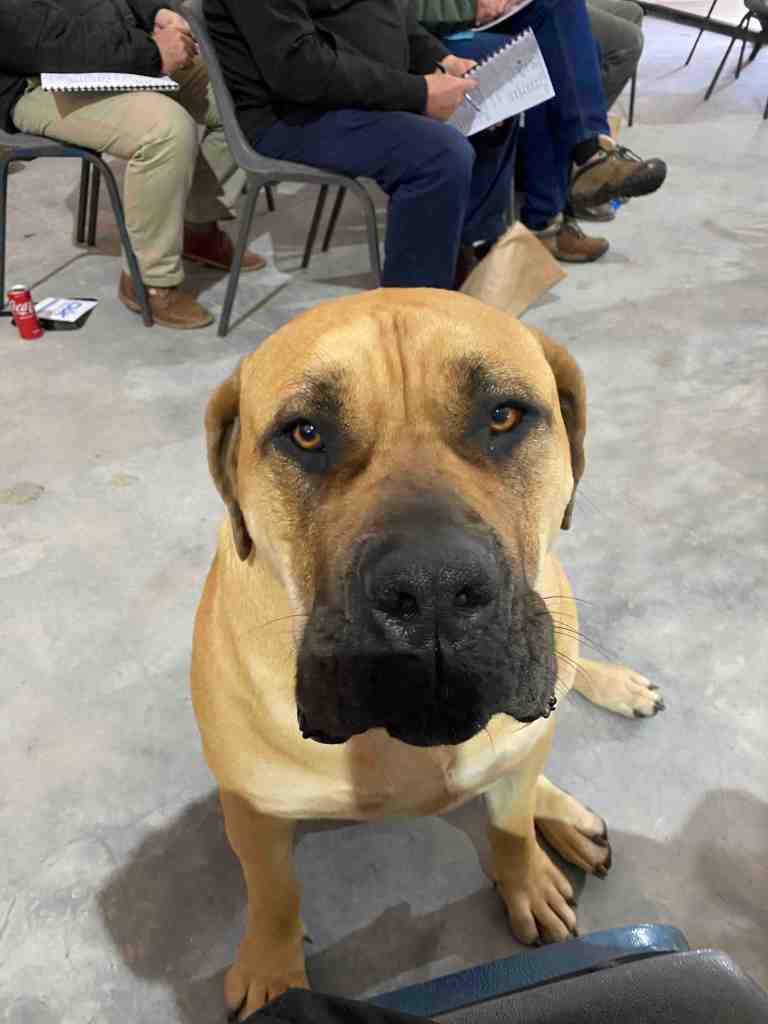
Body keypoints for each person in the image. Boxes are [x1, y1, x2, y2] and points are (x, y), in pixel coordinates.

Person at [205, 0, 529, 290]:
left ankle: (462, 262)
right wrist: (420, 93)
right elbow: (299, 69)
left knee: (490, 102)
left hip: (350, 88)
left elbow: (393, 16)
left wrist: (442, 60)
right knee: (438, 154)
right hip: (287, 115)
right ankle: (409, 314)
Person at [0, 0, 266, 329]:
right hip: (35, 78)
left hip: (113, 50)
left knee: (239, 92)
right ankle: (150, 280)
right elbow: (41, 39)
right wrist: (151, 53)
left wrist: (156, 12)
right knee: (165, 131)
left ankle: (197, 227)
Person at [415, 0, 666, 259]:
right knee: (541, 56)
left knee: (565, 16)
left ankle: (584, 161)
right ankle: (575, 176)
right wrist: (469, 7)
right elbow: (401, 12)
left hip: (476, 17)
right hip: (431, 33)